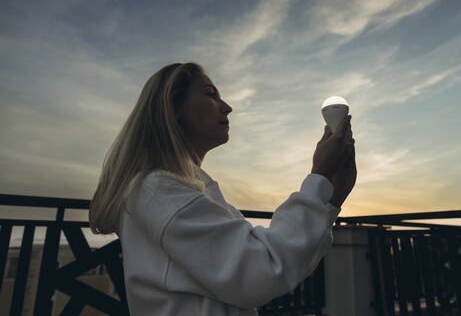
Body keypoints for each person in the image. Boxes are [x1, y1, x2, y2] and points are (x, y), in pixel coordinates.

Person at [89, 62, 356, 316]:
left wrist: (330, 199)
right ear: (173, 108)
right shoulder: (158, 191)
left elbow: (264, 260)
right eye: (210, 95)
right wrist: (319, 176)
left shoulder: (179, 188)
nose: (227, 107)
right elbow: (262, 269)